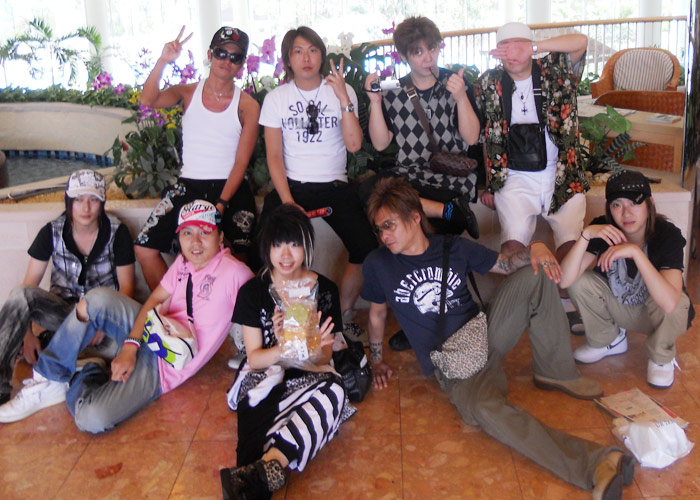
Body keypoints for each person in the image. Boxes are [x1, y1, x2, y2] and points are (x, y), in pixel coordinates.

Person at [362, 177, 635, 500]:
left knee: (536, 273)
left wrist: (535, 248)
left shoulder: (452, 246)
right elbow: (376, 315)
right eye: (379, 229)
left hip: (485, 331)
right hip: (455, 364)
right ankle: (596, 463)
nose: (384, 235)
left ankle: (556, 371)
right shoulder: (378, 264)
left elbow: (505, 265)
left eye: (389, 225)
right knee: (485, 409)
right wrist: (376, 360)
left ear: (415, 217)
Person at [0, 200, 253, 432]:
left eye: (204, 232)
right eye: (188, 233)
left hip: (163, 369)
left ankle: (87, 372)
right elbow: (154, 300)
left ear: (220, 237)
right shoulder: (183, 263)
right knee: (97, 300)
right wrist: (131, 346)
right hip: (149, 330)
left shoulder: (235, 273)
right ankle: (50, 377)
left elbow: (260, 308)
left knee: (91, 418)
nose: (195, 242)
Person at [220, 204, 353, 499]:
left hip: (309, 373)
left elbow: (324, 358)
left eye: (294, 244)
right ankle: (271, 462)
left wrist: (313, 346)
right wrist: (283, 347)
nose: (286, 255)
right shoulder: (253, 292)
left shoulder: (325, 290)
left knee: (335, 391)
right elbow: (255, 359)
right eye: (277, 245)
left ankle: (268, 466)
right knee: (278, 408)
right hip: (265, 373)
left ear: (306, 246)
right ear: (266, 248)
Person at [258, 25, 377, 317]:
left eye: (312, 50)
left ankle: (342, 315)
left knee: (366, 248)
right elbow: (274, 156)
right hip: (292, 186)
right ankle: (274, 320)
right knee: (262, 250)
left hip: (333, 185)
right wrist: (287, 201)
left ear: (322, 55)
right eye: (298, 51)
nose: (306, 58)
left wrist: (343, 98)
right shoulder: (277, 98)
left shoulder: (341, 90)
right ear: (288, 59)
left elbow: (354, 145)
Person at [135, 26, 259, 290]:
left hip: (230, 188)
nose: (226, 61)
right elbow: (148, 99)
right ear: (210, 54)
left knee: (239, 262)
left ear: (242, 64)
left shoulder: (247, 105)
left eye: (235, 57)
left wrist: (221, 204)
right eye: (221, 53)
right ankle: (174, 306)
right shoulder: (188, 93)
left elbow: (241, 162)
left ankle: (227, 315)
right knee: (145, 247)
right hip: (189, 185)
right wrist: (163, 61)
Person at [0, 169, 135, 405]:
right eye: (79, 200)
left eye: (93, 200)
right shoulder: (51, 232)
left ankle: (72, 357)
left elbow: (127, 288)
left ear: (102, 202)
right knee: (19, 295)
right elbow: (28, 285)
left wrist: (103, 325)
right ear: (69, 202)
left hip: (100, 318)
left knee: (127, 348)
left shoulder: (117, 233)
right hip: (63, 314)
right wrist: (27, 335)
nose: (86, 208)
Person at [560, 169, 694, 389]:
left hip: (654, 313)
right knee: (578, 279)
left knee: (678, 302)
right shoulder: (604, 228)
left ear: (650, 204)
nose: (626, 213)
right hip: (619, 307)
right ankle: (609, 340)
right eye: (617, 205)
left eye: (634, 203)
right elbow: (565, 281)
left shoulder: (667, 234)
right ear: (609, 209)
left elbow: (670, 303)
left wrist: (635, 253)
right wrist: (586, 235)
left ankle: (661, 357)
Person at [475, 22, 589, 264]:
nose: (513, 53)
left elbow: (580, 42)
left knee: (571, 250)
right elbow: (488, 136)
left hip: (562, 173)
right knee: (512, 249)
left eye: (519, 46)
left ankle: (559, 284)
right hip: (514, 175)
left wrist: (534, 47)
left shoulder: (555, 71)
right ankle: (525, 284)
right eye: (505, 47)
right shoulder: (489, 82)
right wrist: (490, 184)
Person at [364, 15, 480, 239]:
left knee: (425, 226)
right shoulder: (394, 92)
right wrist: (376, 103)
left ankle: (446, 210)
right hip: (410, 176)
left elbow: (472, 137)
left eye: (432, 48)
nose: (428, 58)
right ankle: (448, 211)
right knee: (368, 190)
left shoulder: (455, 84)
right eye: (418, 52)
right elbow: (380, 144)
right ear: (403, 56)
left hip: (450, 177)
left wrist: (461, 97)